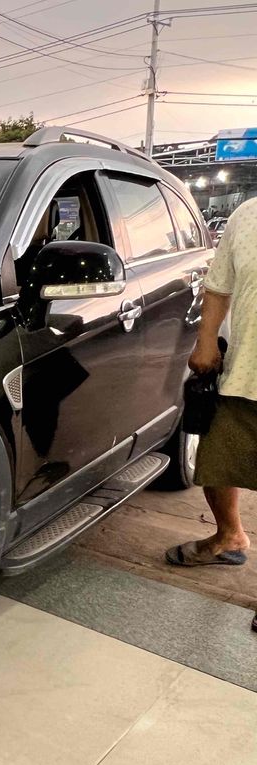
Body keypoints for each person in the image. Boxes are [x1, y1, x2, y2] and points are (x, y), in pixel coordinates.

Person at [165, 198, 257, 632]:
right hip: (245, 374)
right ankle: (229, 538)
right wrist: (205, 344)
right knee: (216, 467)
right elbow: (219, 287)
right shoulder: (248, 214)